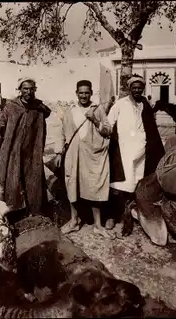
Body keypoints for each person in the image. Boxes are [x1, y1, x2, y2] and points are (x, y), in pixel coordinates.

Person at [0, 77, 51, 224]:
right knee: (10, 183)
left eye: (31, 89)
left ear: (35, 90)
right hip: (10, 153)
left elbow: (45, 122)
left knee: (32, 182)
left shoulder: (38, 109)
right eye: (25, 89)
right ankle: (10, 215)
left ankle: (32, 214)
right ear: (20, 90)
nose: (28, 92)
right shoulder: (10, 107)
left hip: (31, 154)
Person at [106, 75, 165, 229]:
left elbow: (150, 126)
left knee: (136, 183)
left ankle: (131, 214)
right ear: (129, 88)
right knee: (118, 184)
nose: (137, 90)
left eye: (140, 88)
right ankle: (113, 215)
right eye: (134, 87)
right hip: (123, 150)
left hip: (141, 150)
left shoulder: (145, 104)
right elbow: (108, 124)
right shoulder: (120, 104)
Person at [57, 80, 114, 239]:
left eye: (86, 92)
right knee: (72, 185)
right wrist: (59, 150)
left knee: (94, 185)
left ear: (91, 93)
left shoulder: (98, 109)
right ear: (76, 93)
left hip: (92, 153)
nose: (83, 95)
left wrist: (95, 120)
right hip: (73, 153)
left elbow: (109, 130)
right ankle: (74, 221)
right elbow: (63, 132)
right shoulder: (70, 111)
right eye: (81, 92)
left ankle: (97, 225)